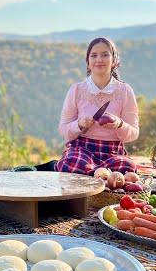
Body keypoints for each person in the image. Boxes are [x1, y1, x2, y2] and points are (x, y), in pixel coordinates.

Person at [55, 37, 139, 175]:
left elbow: (134, 133)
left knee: (127, 168)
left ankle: (92, 177)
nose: (99, 59)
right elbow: (63, 129)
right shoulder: (76, 90)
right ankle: (101, 178)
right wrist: (79, 125)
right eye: (94, 55)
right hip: (82, 150)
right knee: (70, 163)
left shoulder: (125, 91)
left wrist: (119, 124)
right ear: (88, 63)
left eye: (105, 54)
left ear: (114, 61)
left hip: (113, 152)